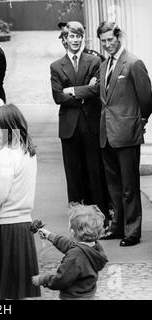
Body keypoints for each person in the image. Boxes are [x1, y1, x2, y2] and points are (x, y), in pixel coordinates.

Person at [96, 22, 152, 246]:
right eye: (104, 41)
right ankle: (117, 227)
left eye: (111, 39)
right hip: (107, 133)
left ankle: (132, 231)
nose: (108, 44)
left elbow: (147, 99)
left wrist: (140, 121)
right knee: (113, 185)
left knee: (129, 186)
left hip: (127, 133)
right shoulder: (104, 65)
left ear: (119, 38)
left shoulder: (133, 63)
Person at [50, 21, 110, 226]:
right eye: (71, 37)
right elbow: (58, 97)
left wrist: (73, 91)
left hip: (91, 124)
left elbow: (97, 90)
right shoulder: (56, 66)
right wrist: (85, 90)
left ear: (82, 38)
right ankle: (76, 219)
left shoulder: (94, 61)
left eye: (78, 36)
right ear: (65, 39)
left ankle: (100, 217)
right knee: (73, 174)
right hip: (69, 127)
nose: (75, 40)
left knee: (95, 172)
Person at [0, 103, 41, 300]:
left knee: (2, 292)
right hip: (23, 222)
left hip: (4, 225)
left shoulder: (6, 154)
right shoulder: (28, 151)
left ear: (6, 130)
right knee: (20, 291)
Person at [32, 203, 108, 300]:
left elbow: (61, 280)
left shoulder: (75, 255)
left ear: (72, 232)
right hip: (89, 294)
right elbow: (70, 246)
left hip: (73, 297)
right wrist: (49, 235)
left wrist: (43, 280)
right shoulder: (94, 249)